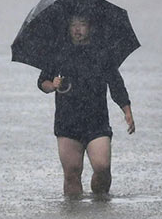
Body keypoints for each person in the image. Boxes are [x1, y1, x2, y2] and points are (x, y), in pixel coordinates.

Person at [38, 13, 135, 197]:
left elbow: (116, 84)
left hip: (96, 121)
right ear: (68, 28)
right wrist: (53, 85)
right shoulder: (59, 52)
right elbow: (42, 82)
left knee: (102, 167)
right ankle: (74, 217)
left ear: (90, 27)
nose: (77, 29)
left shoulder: (102, 53)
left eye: (82, 24)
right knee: (72, 173)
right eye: (73, 25)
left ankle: (100, 201)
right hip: (67, 122)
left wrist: (127, 111)